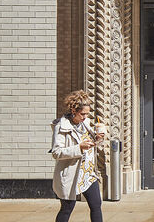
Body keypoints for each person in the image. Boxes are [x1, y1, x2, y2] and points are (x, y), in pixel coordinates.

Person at [51, 90, 105, 222]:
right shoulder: (61, 126)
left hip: (87, 173)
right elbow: (56, 152)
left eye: (87, 113)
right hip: (72, 174)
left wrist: (98, 139)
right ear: (73, 110)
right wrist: (79, 148)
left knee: (96, 204)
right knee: (67, 208)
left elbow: (90, 144)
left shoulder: (84, 124)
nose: (85, 117)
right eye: (82, 114)